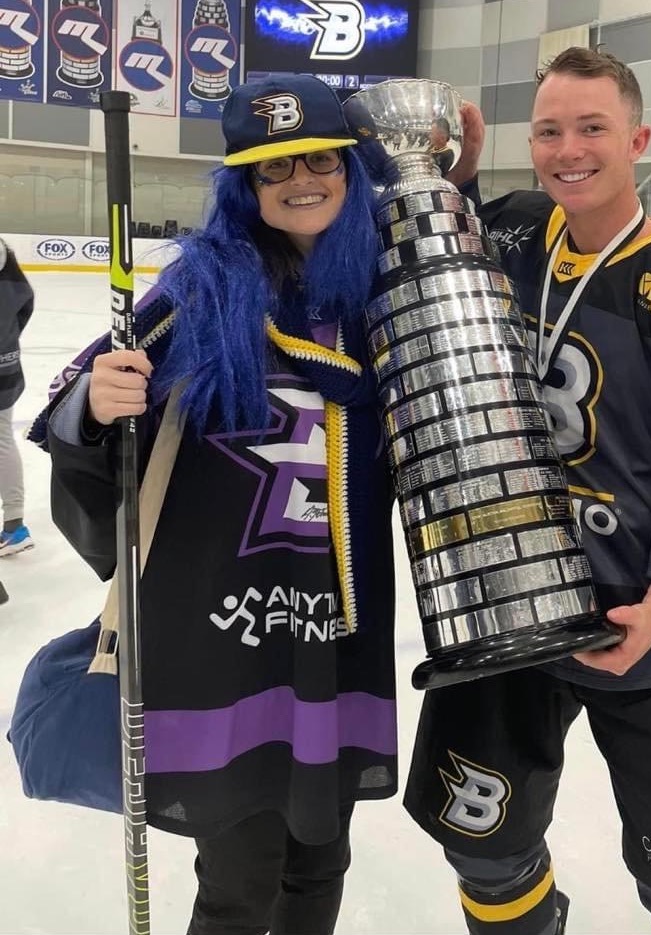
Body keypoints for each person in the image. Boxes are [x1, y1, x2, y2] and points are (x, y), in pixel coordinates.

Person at [404, 47, 651, 935]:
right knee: (484, 846)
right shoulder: (510, 234)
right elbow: (433, 242)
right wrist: (449, 174)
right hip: (506, 611)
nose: (567, 149)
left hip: (643, 629)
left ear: (638, 139)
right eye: (548, 130)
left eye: (592, 129)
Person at [28, 75, 396, 935]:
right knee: (241, 879)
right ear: (245, 187)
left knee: (320, 860)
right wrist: (100, 398)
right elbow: (71, 403)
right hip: (225, 640)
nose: (300, 179)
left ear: (349, 167)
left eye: (317, 158)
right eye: (274, 169)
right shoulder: (204, 289)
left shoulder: (382, 293)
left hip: (337, 630)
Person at [0, 238, 35, 558]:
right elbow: (25, 303)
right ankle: (13, 525)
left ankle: (14, 526)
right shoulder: (5, 255)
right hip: (7, 367)